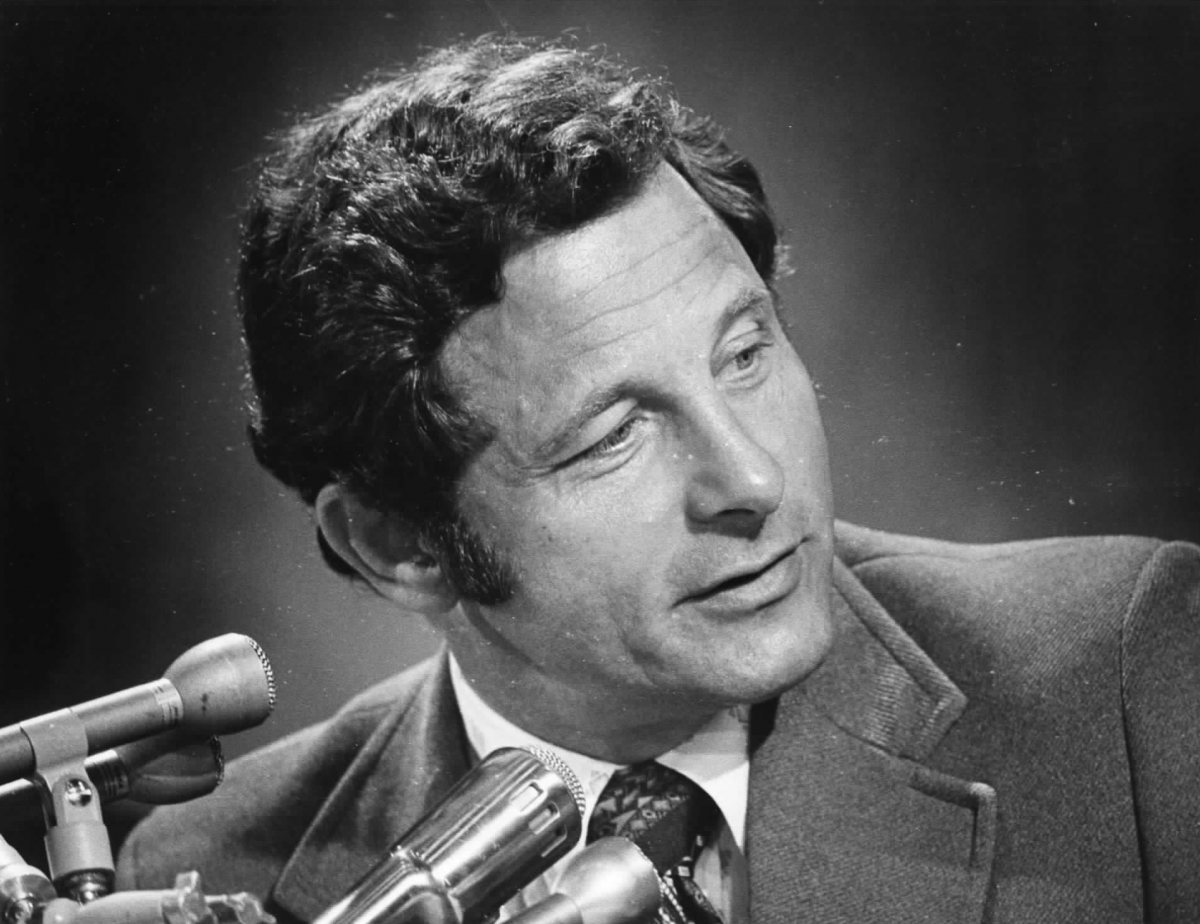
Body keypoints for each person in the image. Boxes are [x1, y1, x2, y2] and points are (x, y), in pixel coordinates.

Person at [115, 34, 1200, 923]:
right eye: (614, 436)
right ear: (400, 545)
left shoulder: (1128, 683)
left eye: (745, 353)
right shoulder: (211, 870)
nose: (755, 477)